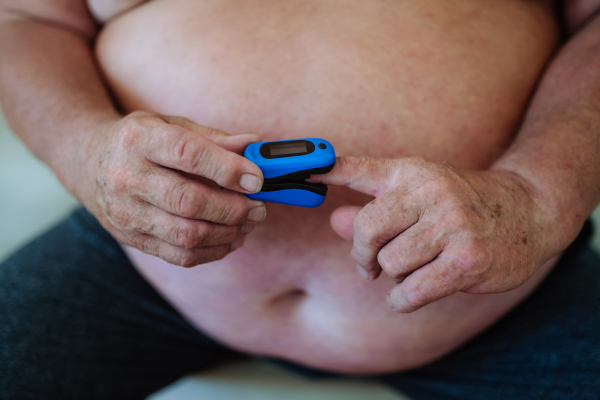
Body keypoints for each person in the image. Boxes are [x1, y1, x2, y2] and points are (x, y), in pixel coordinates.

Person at [1, 0, 599, 399]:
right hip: (142, 255)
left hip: (503, 273)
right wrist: (86, 152)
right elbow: (24, 19)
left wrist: (537, 193)